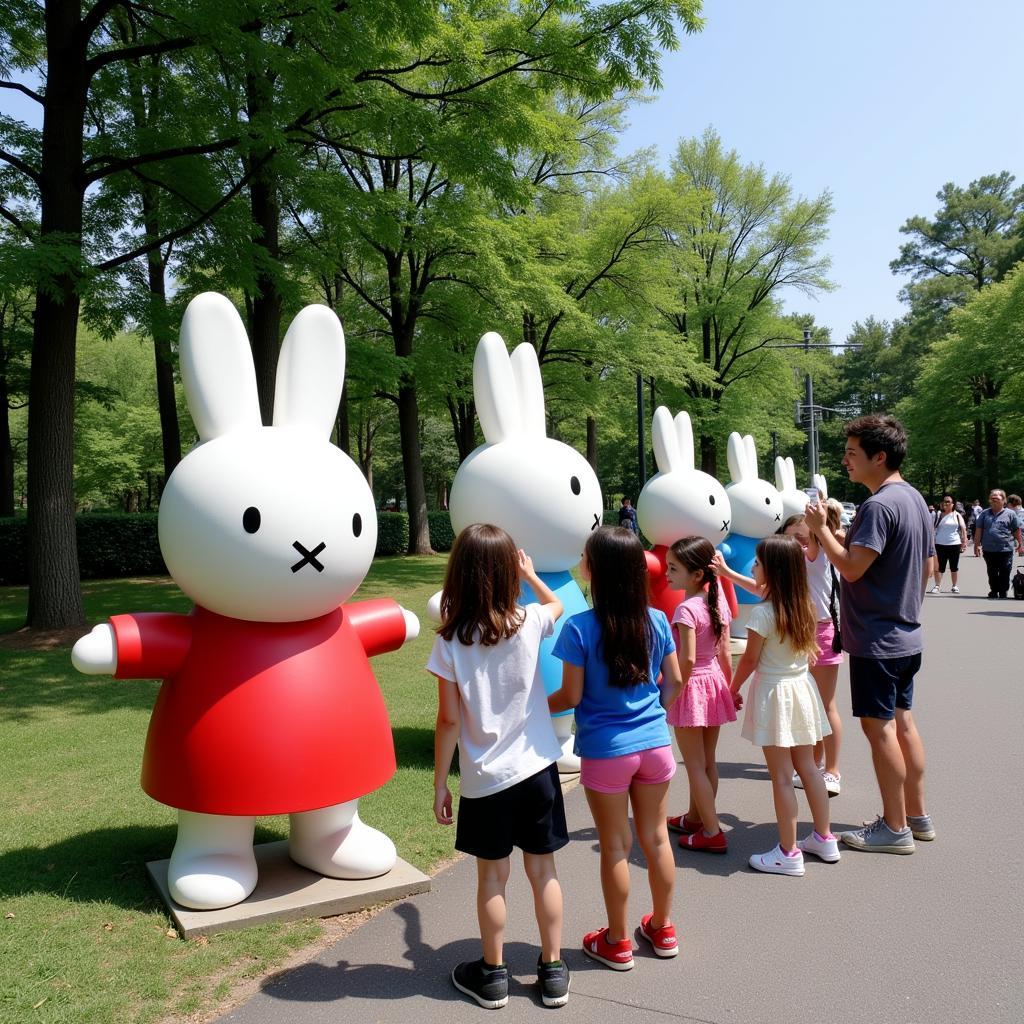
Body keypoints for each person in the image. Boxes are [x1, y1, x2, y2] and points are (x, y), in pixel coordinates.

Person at [428, 523, 570, 1009]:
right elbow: (560, 606)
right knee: (543, 870)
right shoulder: (529, 619)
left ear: (460, 575)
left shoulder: (450, 642)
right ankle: (552, 971)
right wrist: (531, 576)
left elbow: (448, 720)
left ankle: (492, 975)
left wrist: (439, 785)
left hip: (485, 780)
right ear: (509, 570)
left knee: (492, 878)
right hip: (537, 771)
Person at [549, 526, 683, 970]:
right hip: (656, 746)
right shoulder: (658, 620)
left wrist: (529, 707)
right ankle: (662, 928)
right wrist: (653, 714)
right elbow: (676, 681)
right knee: (657, 838)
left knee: (615, 847)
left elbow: (569, 696)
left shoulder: (579, 627)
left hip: (607, 752)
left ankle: (618, 941)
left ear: (595, 569)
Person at [805, 414, 935, 854]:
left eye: (853, 453)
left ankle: (894, 827)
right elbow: (922, 565)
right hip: (905, 634)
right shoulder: (912, 498)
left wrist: (821, 530)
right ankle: (916, 816)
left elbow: (854, 569)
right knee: (904, 724)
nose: (845, 461)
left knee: (880, 731)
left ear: (879, 457)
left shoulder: (879, 506)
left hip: (877, 641)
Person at [728, 534, 838, 876]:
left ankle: (789, 853)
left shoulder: (763, 613)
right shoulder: (804, 605)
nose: (753, 566)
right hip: (802, 689)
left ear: (772, 571)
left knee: (781, 776)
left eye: (758, 563)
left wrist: (731, 689)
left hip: (775, 692)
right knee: (808, 768)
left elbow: (748, 660)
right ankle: (824, 836)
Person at [715, 512, 845, 797]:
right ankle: (813, 764)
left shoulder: (815, 553)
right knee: (806, 702)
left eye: (801, 538)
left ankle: (831, 771)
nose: (795, 544)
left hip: (817, 631)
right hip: (796, 627)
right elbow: (763, 590)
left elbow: (816, 541)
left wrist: (819, 523)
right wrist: (727, 573)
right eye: (789, 538)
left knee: (824, 704)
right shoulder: (789, 564)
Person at [663, 536, 735, 854]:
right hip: (715, 682)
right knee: (707, 762)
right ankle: (696, 818)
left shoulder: (685, 609)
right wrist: (730, 691)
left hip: (691, 686)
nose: (667, 573)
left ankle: (711, 830)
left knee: (693, 764)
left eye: (673, 568)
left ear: (695, 575)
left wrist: (673, 690)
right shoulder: (717, 603)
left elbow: (687, 659)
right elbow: (725, 654)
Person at [973, 489, 1024, 599]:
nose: (994, 499)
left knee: (1005, 571)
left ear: (1004, 500)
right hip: (989, 549)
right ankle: (994, 590)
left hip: (1006, 549)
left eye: (997, 497)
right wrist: (976, 545)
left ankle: (1003, 591)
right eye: (992, 497)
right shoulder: (984, 514)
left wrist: (1020, 543)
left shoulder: (1011, 514)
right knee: (992, 571)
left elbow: (1016, 529)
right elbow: (979, 530)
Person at [931, 494, 967, 594]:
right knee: (939, 567)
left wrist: (964, 542)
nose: (945, 503)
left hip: (954, 543)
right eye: (944, 501)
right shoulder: (938, 514)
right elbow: (931, 529)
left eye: (948, 501)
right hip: (939, 543)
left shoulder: (957, 515)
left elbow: (963, 529)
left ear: (952, 504)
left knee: (954, 566)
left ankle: (954, 586)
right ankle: (937, 586)